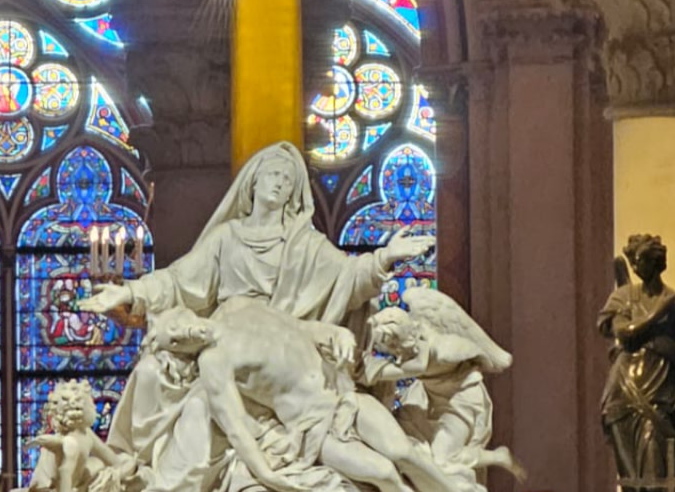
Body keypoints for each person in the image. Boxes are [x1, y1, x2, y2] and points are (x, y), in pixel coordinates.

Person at [79, 142, 432, 491]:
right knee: (164, 382)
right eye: (272, 174)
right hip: (233, 349)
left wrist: (385, 257)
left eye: (288, 179)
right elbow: (177, 280)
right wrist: (128, 292)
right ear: (253, 182)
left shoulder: (305, 245)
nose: (279, 182)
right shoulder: (226, 238)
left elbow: (350, 277)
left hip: (286, 351)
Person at [598, 234, 675, 490]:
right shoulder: (624, 296)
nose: (634, 266)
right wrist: (657, 314)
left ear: (656, 261)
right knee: (631, 480)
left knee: (657, 474)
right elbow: (623, 331)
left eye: (640, 259)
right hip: (621, 393)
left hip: (660, 394)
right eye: (632, 260)